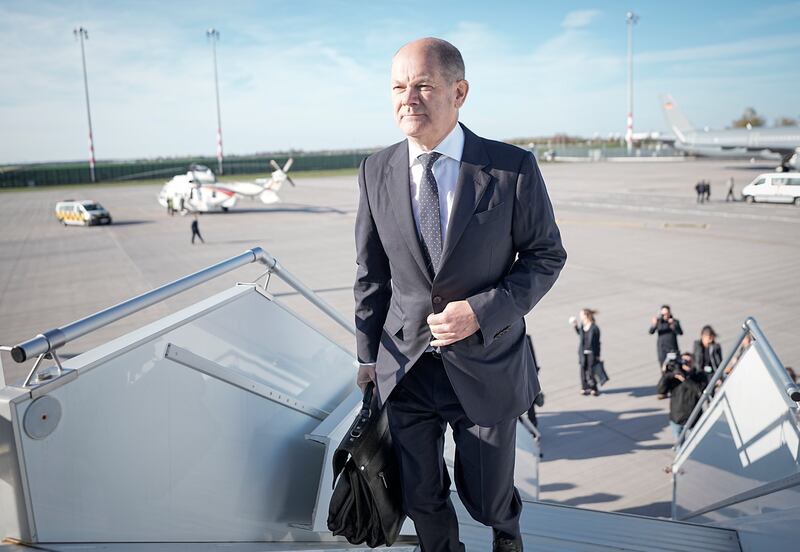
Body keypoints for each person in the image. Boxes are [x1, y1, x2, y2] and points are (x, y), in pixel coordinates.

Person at [353, 37, 566, 552]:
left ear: (459, 91)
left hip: (486, 364)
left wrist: (481, 310)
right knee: (422, 496)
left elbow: (546, 256)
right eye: (399, 87)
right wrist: (365, 356)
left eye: (423, 85)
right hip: (406, 366)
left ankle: (505, 530)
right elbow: (371, 272)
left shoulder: (512, 168)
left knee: (486, 495)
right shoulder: (375, 170)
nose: (409, 98)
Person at [657, 352, 707, 442]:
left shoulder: (699, 375)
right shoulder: (675, 376)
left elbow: (699, 391)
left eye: (689, 361)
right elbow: (661, 391)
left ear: (694, 362)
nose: (686, 363)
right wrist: (666, 374)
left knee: (697, 444)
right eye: (683, 361)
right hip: (677, 419)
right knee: (679, 446)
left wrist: (684, 379)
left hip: (694, 419)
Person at [570, 309, 601, 396]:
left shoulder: (595, 328)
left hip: (592, 353)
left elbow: (598, 343)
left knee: (591, 372)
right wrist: (575, 326)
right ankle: (584, 387)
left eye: (581, 315)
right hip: (583, 353)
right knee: (583, 371)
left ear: (586, 316)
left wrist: (597, 355)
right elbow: (580, 334)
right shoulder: (583, 326)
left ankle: (594, 388)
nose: (580, 316)